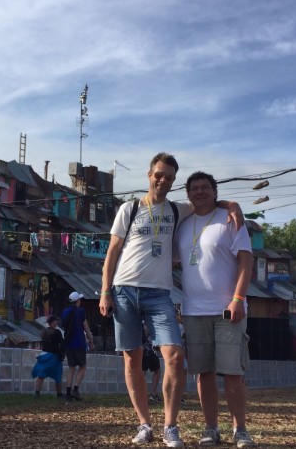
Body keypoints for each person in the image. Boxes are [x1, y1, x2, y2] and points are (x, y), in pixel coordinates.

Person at [100, 152, 243, 448]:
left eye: (169, 177)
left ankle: (170, 426)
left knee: (176, 358)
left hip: (159, 293)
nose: (163, 180)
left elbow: (207, 201)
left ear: (174, 181)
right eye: (159, 175)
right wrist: (104, 291)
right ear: (149, 175)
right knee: (132, 359)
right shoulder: (129, 208)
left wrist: (233, 205)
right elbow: (112, 252)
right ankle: (144, 424)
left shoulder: (179, 209)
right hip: (124, 289)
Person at [174, 171, 255, 448]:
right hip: (193, 310)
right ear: (188, 195)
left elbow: (246, 261)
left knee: (233, 372)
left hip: (227, 309)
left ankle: (240, 429)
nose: (200, 191)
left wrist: (238, 298)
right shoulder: (183, 224)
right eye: (194, 188)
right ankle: (211, 428)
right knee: (204, 373)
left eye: (205, 187)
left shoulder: (230, 219)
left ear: (215, 191)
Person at [62, 291, 94, 401]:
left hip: (68, 344)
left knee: (71, 368)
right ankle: (75, 389)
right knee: (82, 366)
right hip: (79, 343)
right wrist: (91, 341)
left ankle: (68, 393)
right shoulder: (81, 312)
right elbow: (86, 329)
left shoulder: (65, 312)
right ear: (78, 301)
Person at [31, 315, 65, 398]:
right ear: (52, 322)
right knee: (58, 375)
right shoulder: (57, 332)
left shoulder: (44, 331)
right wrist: (62, 353)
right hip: (55, 356)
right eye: (55, 321)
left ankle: (37, 393)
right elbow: (61, 343)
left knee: (41, 374)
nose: (56, 322)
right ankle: (59, 394)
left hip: (45, 355)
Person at [142, 324, 162, 404]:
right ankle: (150, 394)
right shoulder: (147, 321)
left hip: (145, 347)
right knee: (144, 371)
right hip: (148, 348)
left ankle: (144, 394)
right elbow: (147, 331)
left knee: (145, 371)